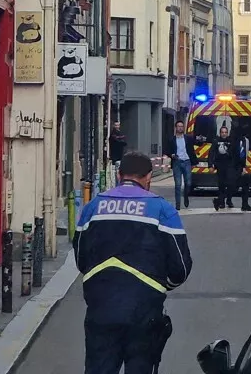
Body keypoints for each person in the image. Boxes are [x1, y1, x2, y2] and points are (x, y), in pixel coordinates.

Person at [74, 151, 191, 374]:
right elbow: (180, 269)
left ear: (119, 175)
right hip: (145, 311)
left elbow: (81, 257)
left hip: (101, 308)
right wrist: (158, 284)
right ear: (148, 177)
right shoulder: (163, 210)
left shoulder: (93, 207)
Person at [210, 123, 251, 212]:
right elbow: (235, 155)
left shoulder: (241, 141)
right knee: (233, 185)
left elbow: (241, 155)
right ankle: (220, 201)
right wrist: (212, 165)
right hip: (230, 168)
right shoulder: (233, 141)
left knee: (242, 183)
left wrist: (243, 167)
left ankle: (241, 204)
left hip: (234, 168)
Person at [164, 120, 197, 210]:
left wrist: (194, 162)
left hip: (187, 162)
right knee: (178, 184)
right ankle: (178, 205)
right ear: (176, 128)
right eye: (178, 126)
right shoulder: (172, 139)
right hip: (177, 163)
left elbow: (193, 149)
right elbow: (167, 150)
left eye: (182, 126)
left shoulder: (188, 138)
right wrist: (172, 155)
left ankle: (186, 196)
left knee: (188, 183)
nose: (180, 128)